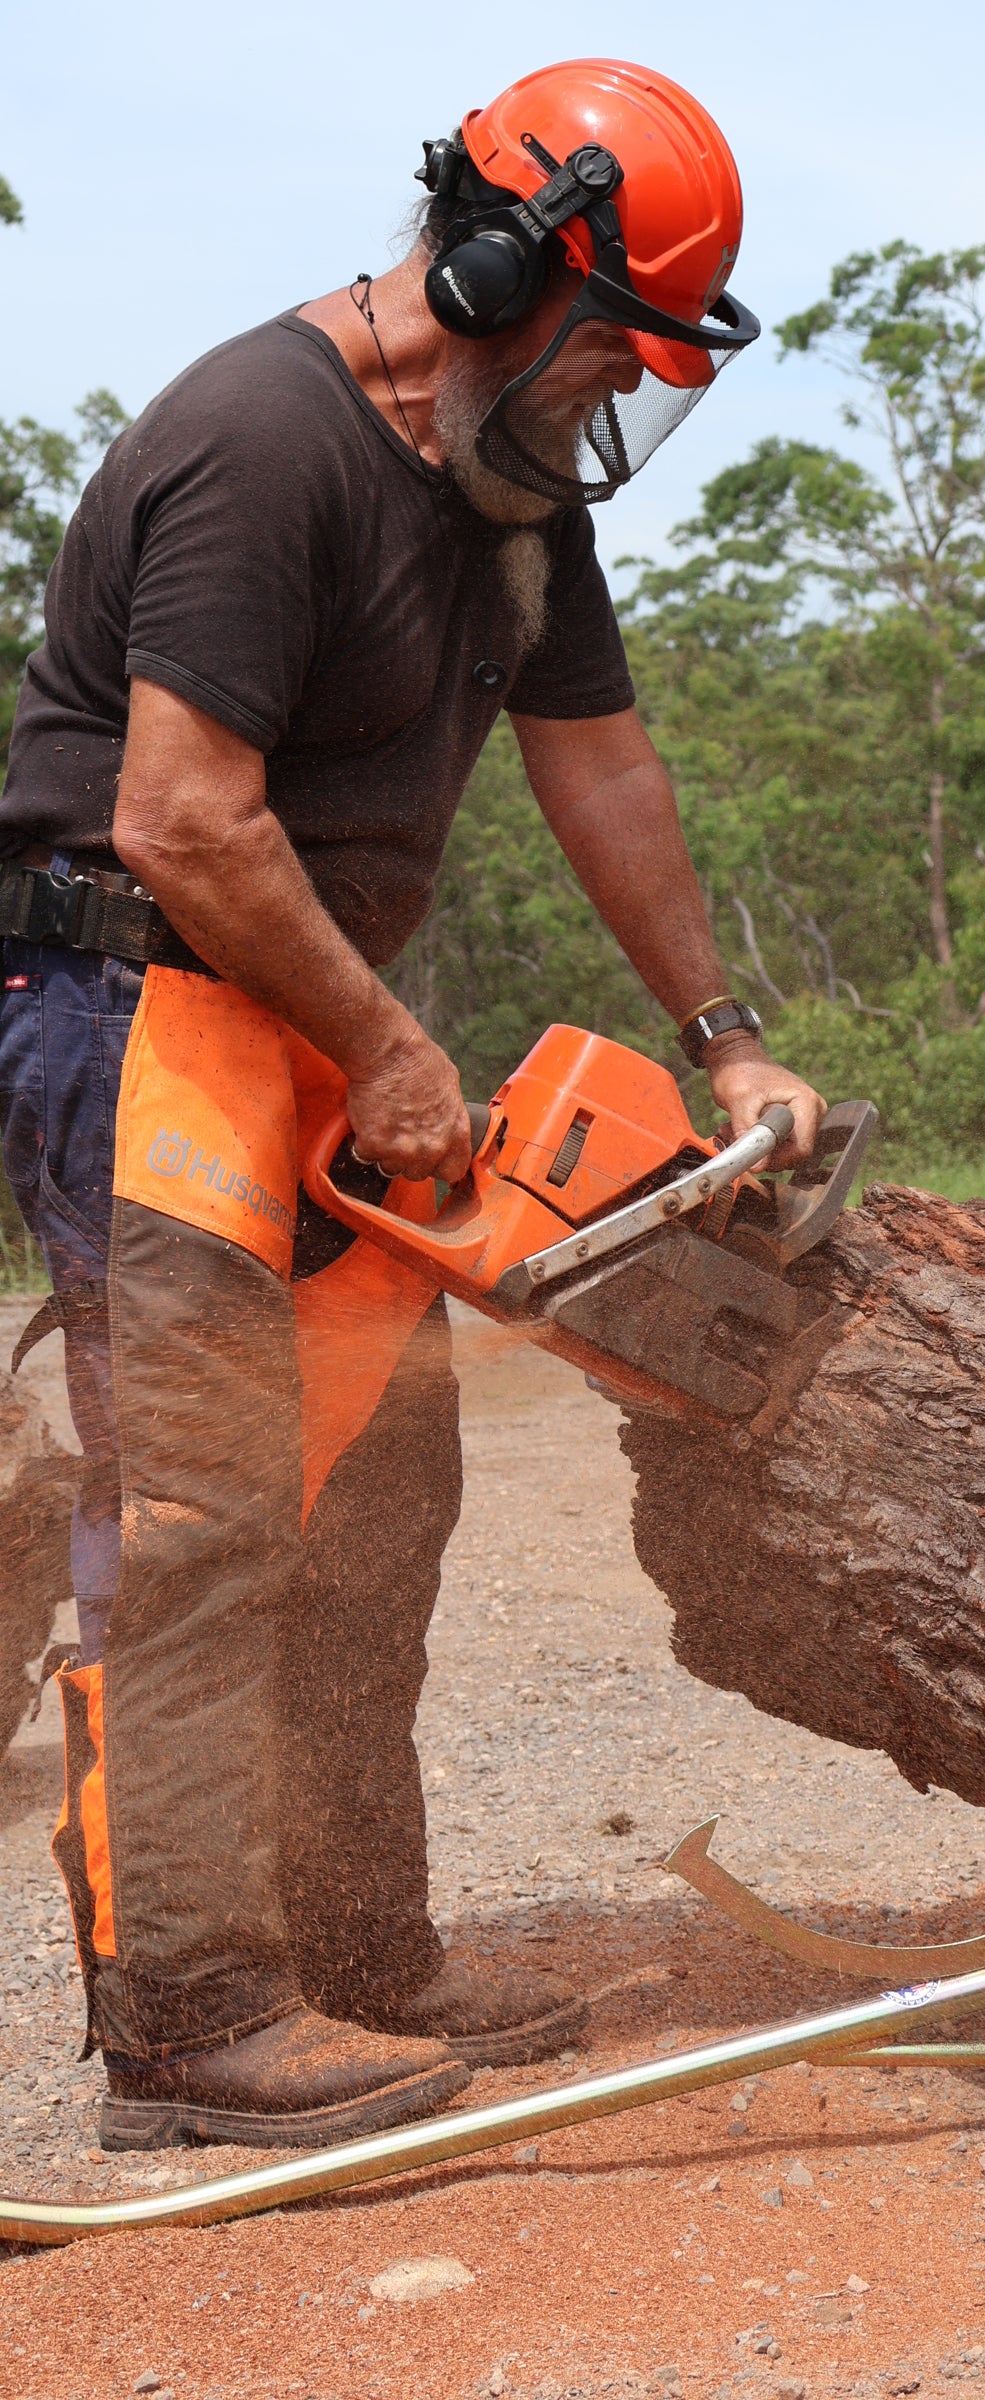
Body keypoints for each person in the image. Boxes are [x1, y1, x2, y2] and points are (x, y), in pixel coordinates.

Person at [0, 57, 825, 2151]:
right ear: (495, 269)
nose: (595, 409)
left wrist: (724, 1033)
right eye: (594, 358)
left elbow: (602, 768)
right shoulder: (263, 444)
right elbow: (182, 820)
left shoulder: (511, 498)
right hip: (142, 1005)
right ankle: (186, 2025)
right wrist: (384, 1043)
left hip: (303, 1020)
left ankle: (356, 1946)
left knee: (383, 1491)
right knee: (195, 1510)